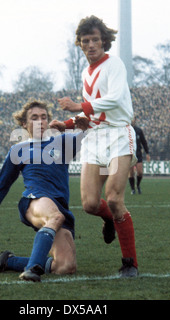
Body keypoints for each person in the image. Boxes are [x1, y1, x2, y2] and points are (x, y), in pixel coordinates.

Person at [50, 15, 138, 277]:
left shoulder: (115, 64)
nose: (91, 45)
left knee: (113, 197)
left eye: (95, 40)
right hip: (96, 136)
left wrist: (78, 106)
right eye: (85, 40)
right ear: (79, 44)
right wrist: (66, 123)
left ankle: (130, 264)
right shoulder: (85, 72)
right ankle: (110, 218)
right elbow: (90, 115)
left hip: (119, 134)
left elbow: (114, 98)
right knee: (89, 204)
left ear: (104, 41)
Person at [0, 100, 84, 282]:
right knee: (55, 217)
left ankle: (8, 261)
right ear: (24, 124)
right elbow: (1, 186)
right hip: (34, 200)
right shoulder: (18, 150)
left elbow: (92, 136)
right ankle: (32, 269)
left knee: (66, 266)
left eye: (43, 117)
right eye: (34, 118)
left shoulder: (63, 141)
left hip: (60, 207)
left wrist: (84, 127)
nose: (40, 121)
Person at [128, 119, 150, 194]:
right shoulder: (125, 130)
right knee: (131, 173)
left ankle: (138, 185)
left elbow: (144, 142)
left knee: (140, 172)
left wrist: (147, 153)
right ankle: (133, 189)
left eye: (133, 119)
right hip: (129, 154)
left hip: (138, 154)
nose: (132, 120)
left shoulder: (139, 131)